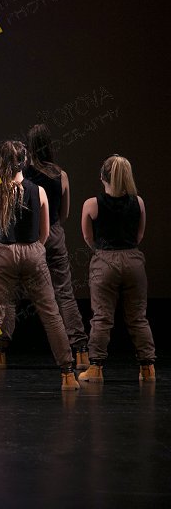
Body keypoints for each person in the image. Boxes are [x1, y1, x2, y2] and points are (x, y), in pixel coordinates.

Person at [0, 141, 79, 392]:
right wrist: (33, 251)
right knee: (51, 315)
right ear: (25, 162)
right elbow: (45, 233)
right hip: (34, 253)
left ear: (2, 162)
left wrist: (3, 250)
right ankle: (68, 373)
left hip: (4, 253)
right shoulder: (39, 191)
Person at [0, 124, 89, 370]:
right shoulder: (61, 175)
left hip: (23, 240)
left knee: (8, 297)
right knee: (64, 294)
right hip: (53, 235)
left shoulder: (20, 172)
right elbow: (64, 213)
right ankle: (81, 351)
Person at [78, 155, 155, 383]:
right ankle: (148, 368)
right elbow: (139, 235)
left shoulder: (91, 204)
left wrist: (103, 252)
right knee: (138, 317)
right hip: (133, 260)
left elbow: (88, 237)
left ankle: (96, 368)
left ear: (102, 176)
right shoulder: (138, 202)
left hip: (104, 260)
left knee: (101, 318)